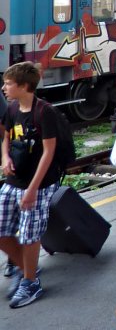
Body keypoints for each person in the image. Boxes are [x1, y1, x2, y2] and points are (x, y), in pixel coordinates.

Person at [1, 62, 60, 308]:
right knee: (2, 229)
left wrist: (33, 189)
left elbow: (48, 152)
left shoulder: (44, 112)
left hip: (39, 184)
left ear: (24, 86)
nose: (4, 88)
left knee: (28, 235)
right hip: (14, 180)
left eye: (8, 84)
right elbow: (6, 136)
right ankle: (27, 269)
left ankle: (30, 282)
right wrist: (4, 157)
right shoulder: (12, 108)